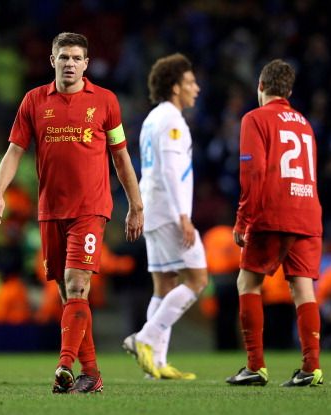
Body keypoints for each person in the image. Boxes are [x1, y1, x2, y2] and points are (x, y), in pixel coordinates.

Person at [0, 32, 144, 394]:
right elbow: (13, 152)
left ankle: (64, 364)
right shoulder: (33, 101)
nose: (70, 64)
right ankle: (91, 374)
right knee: (67, 292)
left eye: (76, 58)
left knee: (77, 283)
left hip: (90, 210)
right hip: (50, 211)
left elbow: (120, 157)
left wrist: (136, 205)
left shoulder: (105, 102)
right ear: (52, 61)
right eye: (64, 57)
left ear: (86, 63)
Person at [225, 59, 324, 387]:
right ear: (290, 91)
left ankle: (255, 366)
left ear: (261, 87)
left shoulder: (255, 118)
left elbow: (253, 171)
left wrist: (243, 219)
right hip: (308, 211)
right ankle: (311, 368)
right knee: (303, 288)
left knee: (247, 283)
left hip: (273, 213)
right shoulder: (305, 123)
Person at [122, 53, 208, 380]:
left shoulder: (152, 119)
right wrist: (184, 216)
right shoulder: (172, 120)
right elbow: (173, 171)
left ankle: (155, 363)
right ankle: (144, 338)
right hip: (169, 210)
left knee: (164, 284)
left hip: (152, 207)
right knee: (198, 279)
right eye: (190, 82)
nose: (196, 89)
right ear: (175, 87)